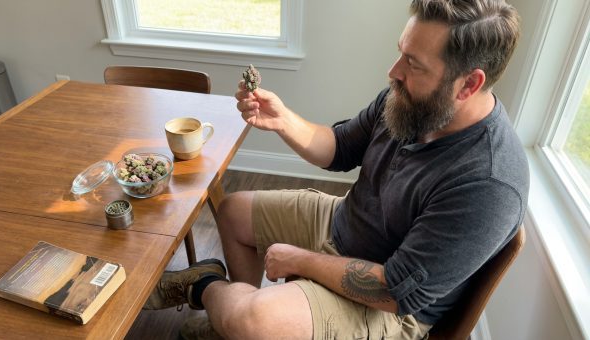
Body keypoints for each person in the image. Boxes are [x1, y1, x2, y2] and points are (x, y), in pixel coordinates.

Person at [144, 0, 528, 339]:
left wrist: (298, 260)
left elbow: (395, 290)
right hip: (345, 224)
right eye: (401, 52)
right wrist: (281, 120)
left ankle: (205, 288)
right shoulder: (410, 99)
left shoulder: (488, 182)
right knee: (231, 213)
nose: (393, 71)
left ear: (468, 84)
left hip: (390, 306)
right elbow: (340, 148)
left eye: (413, 64)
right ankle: (229, 324)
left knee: (255, 321)